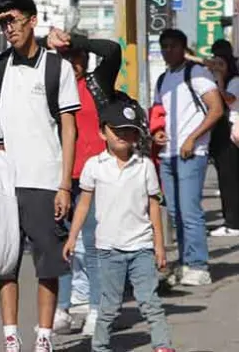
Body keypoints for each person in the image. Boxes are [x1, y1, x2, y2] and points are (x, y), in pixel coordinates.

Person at [0, 0, 79, 352]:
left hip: (45, 181)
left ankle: (44, 338)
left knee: (48, 265)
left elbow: (68, 127)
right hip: (5, 182)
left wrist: (64, 184)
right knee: (7, 265)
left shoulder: (56, 67)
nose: (8, 29)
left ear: (33, 20)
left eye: (12, 21)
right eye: (2, 24)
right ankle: (11, 338)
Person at [64, 95, 175, 352]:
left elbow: (153, 207)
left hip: (141, 247)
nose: (124, 136)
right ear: (103, 132)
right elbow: (82, 205)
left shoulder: (145, 166)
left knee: (150, 302)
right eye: (118, 131)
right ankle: (101, 346)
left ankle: (162, 345)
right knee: (109, 306)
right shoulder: (94, 166)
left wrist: (159, 246)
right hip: (108, 249)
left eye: (130, 132)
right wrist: (72, 237)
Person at [41, 27, 120, 335]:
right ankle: (62, 307)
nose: (72, 61)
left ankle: (97, 310)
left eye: (76, 56)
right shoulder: (50, 88)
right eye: (64, 56)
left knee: (93, 242)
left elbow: (112, 50)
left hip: (95, 177)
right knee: (60, 242)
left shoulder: (95, 83)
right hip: (59, 177)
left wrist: (75, 41)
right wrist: (48, 42)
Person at [154, 29, 224, 287]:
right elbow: (159, 114)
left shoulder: (195, 73)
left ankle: (198, 265)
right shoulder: (163, 79)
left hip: (192, 153)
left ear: (183, 48)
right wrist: (158, 133)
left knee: (190, 211)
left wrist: (193, 138)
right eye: (164, 46)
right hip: (168, 154)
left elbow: (216, 110)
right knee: (175, 212)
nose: (167, 51)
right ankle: (185, 261)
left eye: (172, 46)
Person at [202, 40, 239, 237]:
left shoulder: (234, 80)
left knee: (229, 179)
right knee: (227, 178)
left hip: (229, 132)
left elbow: (228, 99)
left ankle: (233, 224)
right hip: (222, 132)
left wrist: (221, 78)